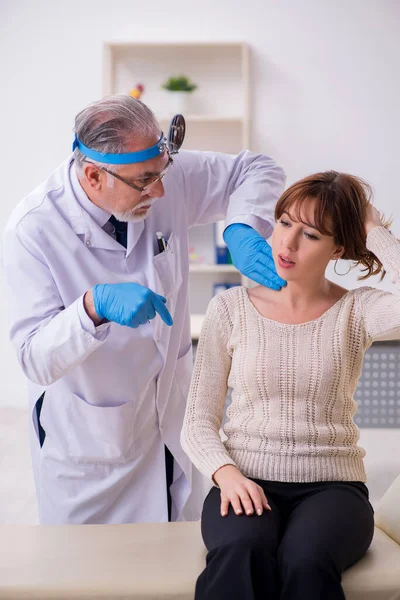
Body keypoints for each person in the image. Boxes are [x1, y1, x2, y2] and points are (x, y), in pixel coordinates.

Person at [2, 94, 286, 525]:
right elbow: (33, 358)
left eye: (162, 170)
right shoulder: (34, 230)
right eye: (144, 181)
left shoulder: (156, 173)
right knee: (92, 576)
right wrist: (91, 309)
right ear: (94, 176)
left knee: (177, 562)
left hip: (174, 418)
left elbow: (256, 168)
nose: (161, 190)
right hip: (91, 444)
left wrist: (244, 226)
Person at [181, 170, 397, 599]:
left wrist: (373, 228)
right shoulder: (230, 308)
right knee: (242, 549)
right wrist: (227, 475)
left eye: (311, 234)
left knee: (306, 559)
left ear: (339, 247)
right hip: (244, 477)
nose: (287, 243)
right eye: (284, 223)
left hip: (333, 487)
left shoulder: (357, 312)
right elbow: (197, 421)